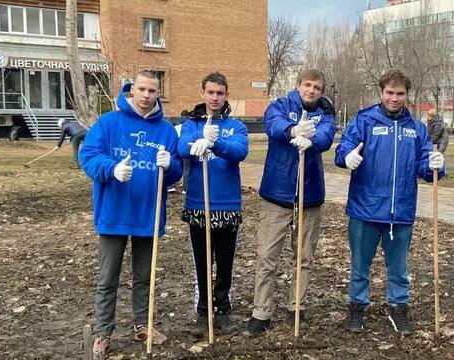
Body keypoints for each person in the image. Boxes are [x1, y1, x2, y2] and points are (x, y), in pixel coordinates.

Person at [78, 70, 182, 359]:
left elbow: (176, 171)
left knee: (144, 277)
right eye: (142, 89)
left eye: (152, 90)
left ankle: (142, 324)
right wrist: (111, 168)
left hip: (148, 214)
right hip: (114, 213)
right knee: (107, 278)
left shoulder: (166, 131)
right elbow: (88, 156)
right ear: (131, 90)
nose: (147, 95)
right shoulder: (109, 123)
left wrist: (170, 165)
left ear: (157, 93)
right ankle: (104, 332)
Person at [334, 70, 445, 336]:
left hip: (401, 210)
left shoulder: (417, 128)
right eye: (390, 93)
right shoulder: (364, 120)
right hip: (365, 208)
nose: (395, 98)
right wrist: (346, 157)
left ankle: (398, 307)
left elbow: (425, 164)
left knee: (399, 268)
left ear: (407, 94)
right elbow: (343, 150)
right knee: (360, 265)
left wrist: (436, 166)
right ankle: (357, 306)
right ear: (381, 92)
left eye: (400, 94)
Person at [244, 69, 336, 337]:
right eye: (307, 85)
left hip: (309, 196)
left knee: (303, 257)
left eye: (317, 87)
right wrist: (292, 130)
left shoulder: (325, 113)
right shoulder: (280, 105)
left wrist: (312, 138)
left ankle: (298, 306)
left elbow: (326, 137)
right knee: (267, 257)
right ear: (298, 85)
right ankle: (261, 312)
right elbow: (272, 125)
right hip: (277, 193)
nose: (311, 91)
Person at [177, 72, 248, 336]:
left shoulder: (236, 126)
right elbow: (181, 147)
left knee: (225, 262)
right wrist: (198, 141)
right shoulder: (191, 125)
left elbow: (239, 152)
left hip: (228, 205)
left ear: (226, 94)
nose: (215, 97)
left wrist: (216, 142)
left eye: (220, 93)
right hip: (199, 203)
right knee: (202, 262)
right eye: (210, 92)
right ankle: (203, 310)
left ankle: (223, 308)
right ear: (203, 93)